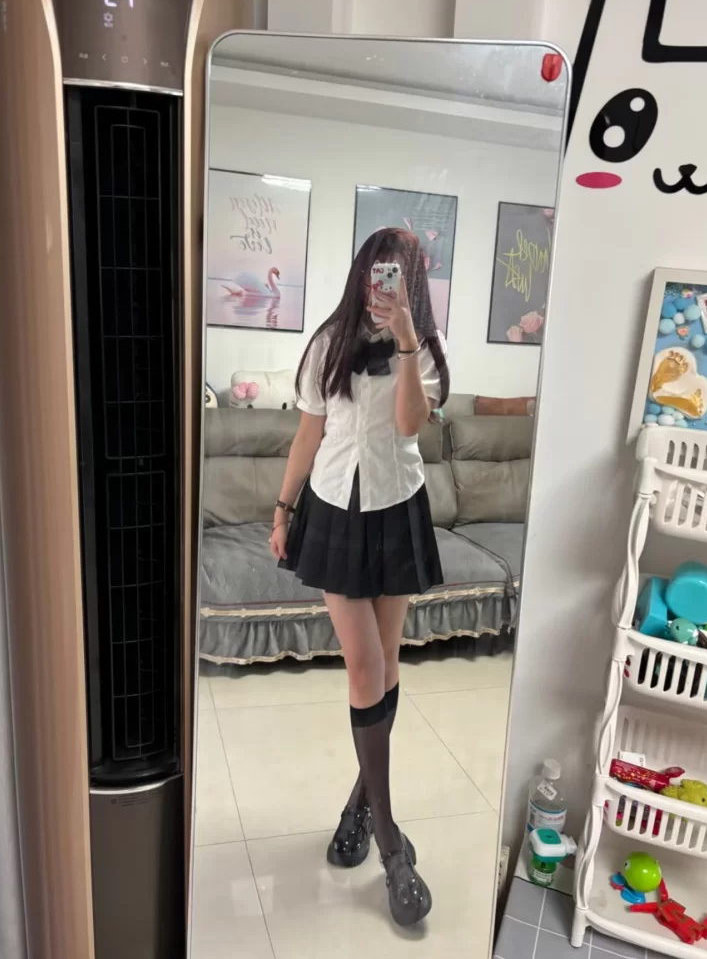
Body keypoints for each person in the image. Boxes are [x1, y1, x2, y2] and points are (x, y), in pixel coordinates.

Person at [269, 228, 449, 926]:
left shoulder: (425, 349)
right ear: (363, 273)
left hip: (397, 506)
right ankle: (392, 844)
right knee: (365, 667)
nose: (387, 282)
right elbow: (308, 434)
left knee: (387, 665)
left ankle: (358, 808)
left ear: (412, 283)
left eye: (400, 273)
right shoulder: (327, 344)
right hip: (335, 507)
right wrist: (283, 509)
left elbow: (408, 425)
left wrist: (405, 341)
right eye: (380, 270)